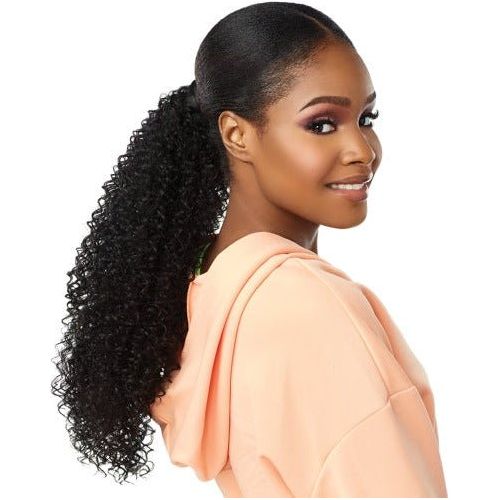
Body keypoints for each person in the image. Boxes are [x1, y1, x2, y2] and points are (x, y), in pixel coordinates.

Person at [51, 2, 448, 497]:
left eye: (367, 117)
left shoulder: (212, 286)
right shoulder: (308, 305)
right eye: (322, 124)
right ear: (237, 135)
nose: (363, 151)